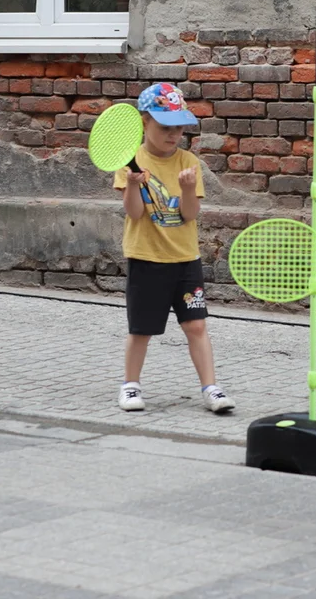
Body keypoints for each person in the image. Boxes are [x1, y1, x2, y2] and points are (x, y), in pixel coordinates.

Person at [113, 83, 235, 414]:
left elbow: (190, 214)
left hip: (185, 260)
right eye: (166, 127)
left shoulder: (188, 161)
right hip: (146, 258)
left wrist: (186, 188)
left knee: (196, 325)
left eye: (179, 127)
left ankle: (211, 388)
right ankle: (131, 386)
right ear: (144, 122)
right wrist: (133, 188)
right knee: (142, 330)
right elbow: (135, 213)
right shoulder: (130, 160)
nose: (173, 134)